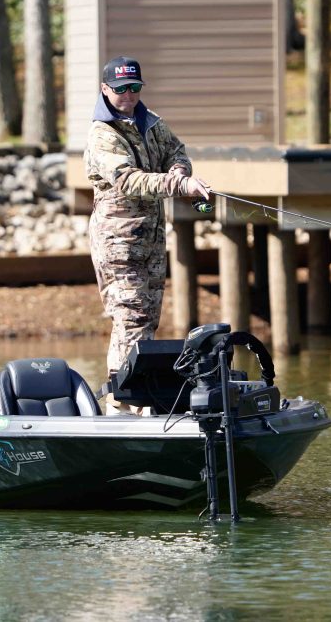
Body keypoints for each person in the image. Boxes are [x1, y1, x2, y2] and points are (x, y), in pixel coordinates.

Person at [85, 55, 210, 412]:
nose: (128, 95)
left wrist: (179, 170)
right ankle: (128, 403)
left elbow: (176, 151)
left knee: (146, 320)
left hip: (151, 239)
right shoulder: (102, 134)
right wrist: (179, 185)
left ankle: (125, 399)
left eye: (134, 88)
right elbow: (128, 180)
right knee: (130, 317)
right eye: (121, 89)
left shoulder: (151, 121)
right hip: (119, 241)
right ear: (105, 89)